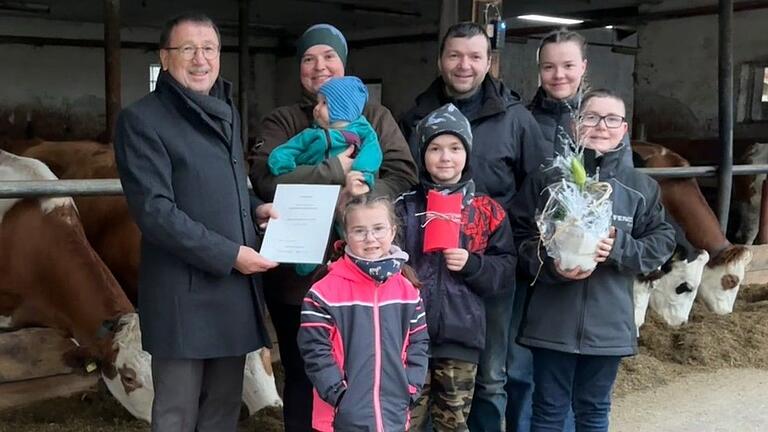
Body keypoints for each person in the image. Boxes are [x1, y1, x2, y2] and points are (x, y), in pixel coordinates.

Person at [249, 23, 418, 431]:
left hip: (364, 272)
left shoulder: (375, 117)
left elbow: (403, 171)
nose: (318, 66)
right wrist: (332, 173)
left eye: (328, 57)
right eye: (308, 58)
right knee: (303, 367)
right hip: (297, 274)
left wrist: (361, 194)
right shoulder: (284, 120)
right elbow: (265, 176)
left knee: (364, 365)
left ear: (344, 64)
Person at [113, 13, 278, 432]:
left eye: (209, 48)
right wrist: (231, 254)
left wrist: (253, 205)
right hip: (182, 295)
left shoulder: (225, 110)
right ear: (165, 59)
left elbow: (222, 184)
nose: (200, 58)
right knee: (177, 413)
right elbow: (155, 212)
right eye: (187, 49)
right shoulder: (142, 120)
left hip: (230, 290)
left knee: (222, 410)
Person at [399, 22, 549, 432]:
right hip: (426, 266)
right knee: (422, 376)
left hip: (489, 264)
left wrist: (501, 247)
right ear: (440, 60)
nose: (464, 65)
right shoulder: (414, 114)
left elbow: (538, 187)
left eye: (475, 56)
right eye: (455, 55)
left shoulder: (516, 118)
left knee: (491, 377)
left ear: (489, 61)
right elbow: (398, 180)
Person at [509, 89, 675, 432]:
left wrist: (618, 247)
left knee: (594, 411)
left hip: (608, 326)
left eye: (611, 119)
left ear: (624, 128)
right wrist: (550, 264)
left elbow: (662, 243)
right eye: (591, 117)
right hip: (551, 320)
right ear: (574, 124)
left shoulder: (639, 188)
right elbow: (517, 238)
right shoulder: (547, 181)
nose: (601, 126)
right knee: (548, 411)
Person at [395, 103, 516, 432]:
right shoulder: (404, 207)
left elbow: (505, 269)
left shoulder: (486, 210)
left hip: (461, 338)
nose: (445, 157)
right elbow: (384, 255)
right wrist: (401, 268)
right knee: (406, 421)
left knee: (453, 422)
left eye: (454, 148)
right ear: (422, 154)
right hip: (409, 339)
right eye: (435, 148)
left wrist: (473, 265)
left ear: (468, 153)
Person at [297, 194, 429, 431]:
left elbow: (419, 343)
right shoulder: (323, 292)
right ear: (346, 235)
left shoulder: (407, 290)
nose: (370, 239)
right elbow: (315, 351)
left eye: (378, 229)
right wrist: (338, 395)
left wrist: (410, 389)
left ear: (393, 231)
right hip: (340, 418)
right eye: (359, 231)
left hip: (393, 416)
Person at [529, 29, 633, 165]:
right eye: (548, 67)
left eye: (568, 66)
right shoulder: (520, 120)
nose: (559, 75)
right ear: (539, 69)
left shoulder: (607, 123)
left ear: (583, 67)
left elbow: (621, 177)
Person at [267, 75, 382, 188]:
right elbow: (290, 149)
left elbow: (371, 150)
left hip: (348, 189)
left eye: (324, 103)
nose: (316, 108)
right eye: (318, 102)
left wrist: (361, 172)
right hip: (313, 189)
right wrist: (282, 163)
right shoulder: (312, 134)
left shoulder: (362, 131)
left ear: (342, 107)